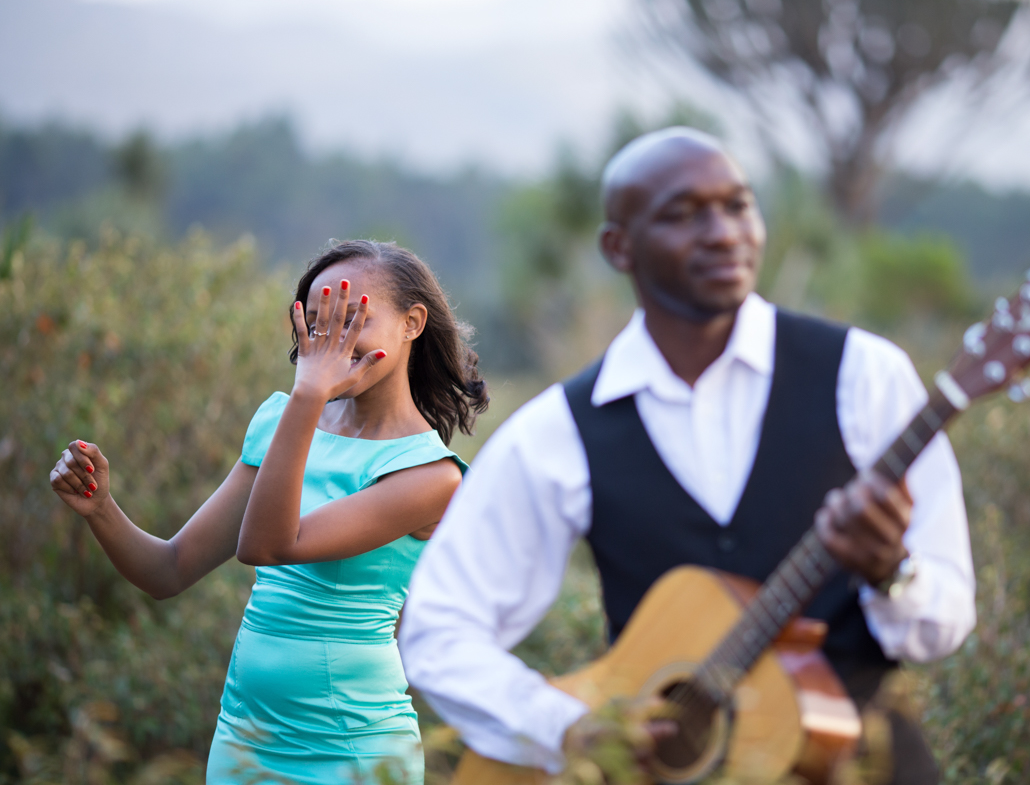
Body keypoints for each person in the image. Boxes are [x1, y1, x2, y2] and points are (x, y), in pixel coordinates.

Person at [399, 129, 975, 784]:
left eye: (738, 206)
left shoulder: (863, 375)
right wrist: (567, 728)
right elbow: (437, 631)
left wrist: (891, 574)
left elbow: (947, 617)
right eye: (682, 214)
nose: (724, 233)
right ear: (619, 247)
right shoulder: (560, 430)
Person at [49, 240, 487, 785]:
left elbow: (269, 546)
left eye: (354, 321)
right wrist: (101, 510)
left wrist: (307, 396)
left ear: (411, 324)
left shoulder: (429, 476)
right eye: (319, 326)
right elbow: (169, 570)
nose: (332, 345)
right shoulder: (287, 423)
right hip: (244, 738)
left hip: (351, 749)